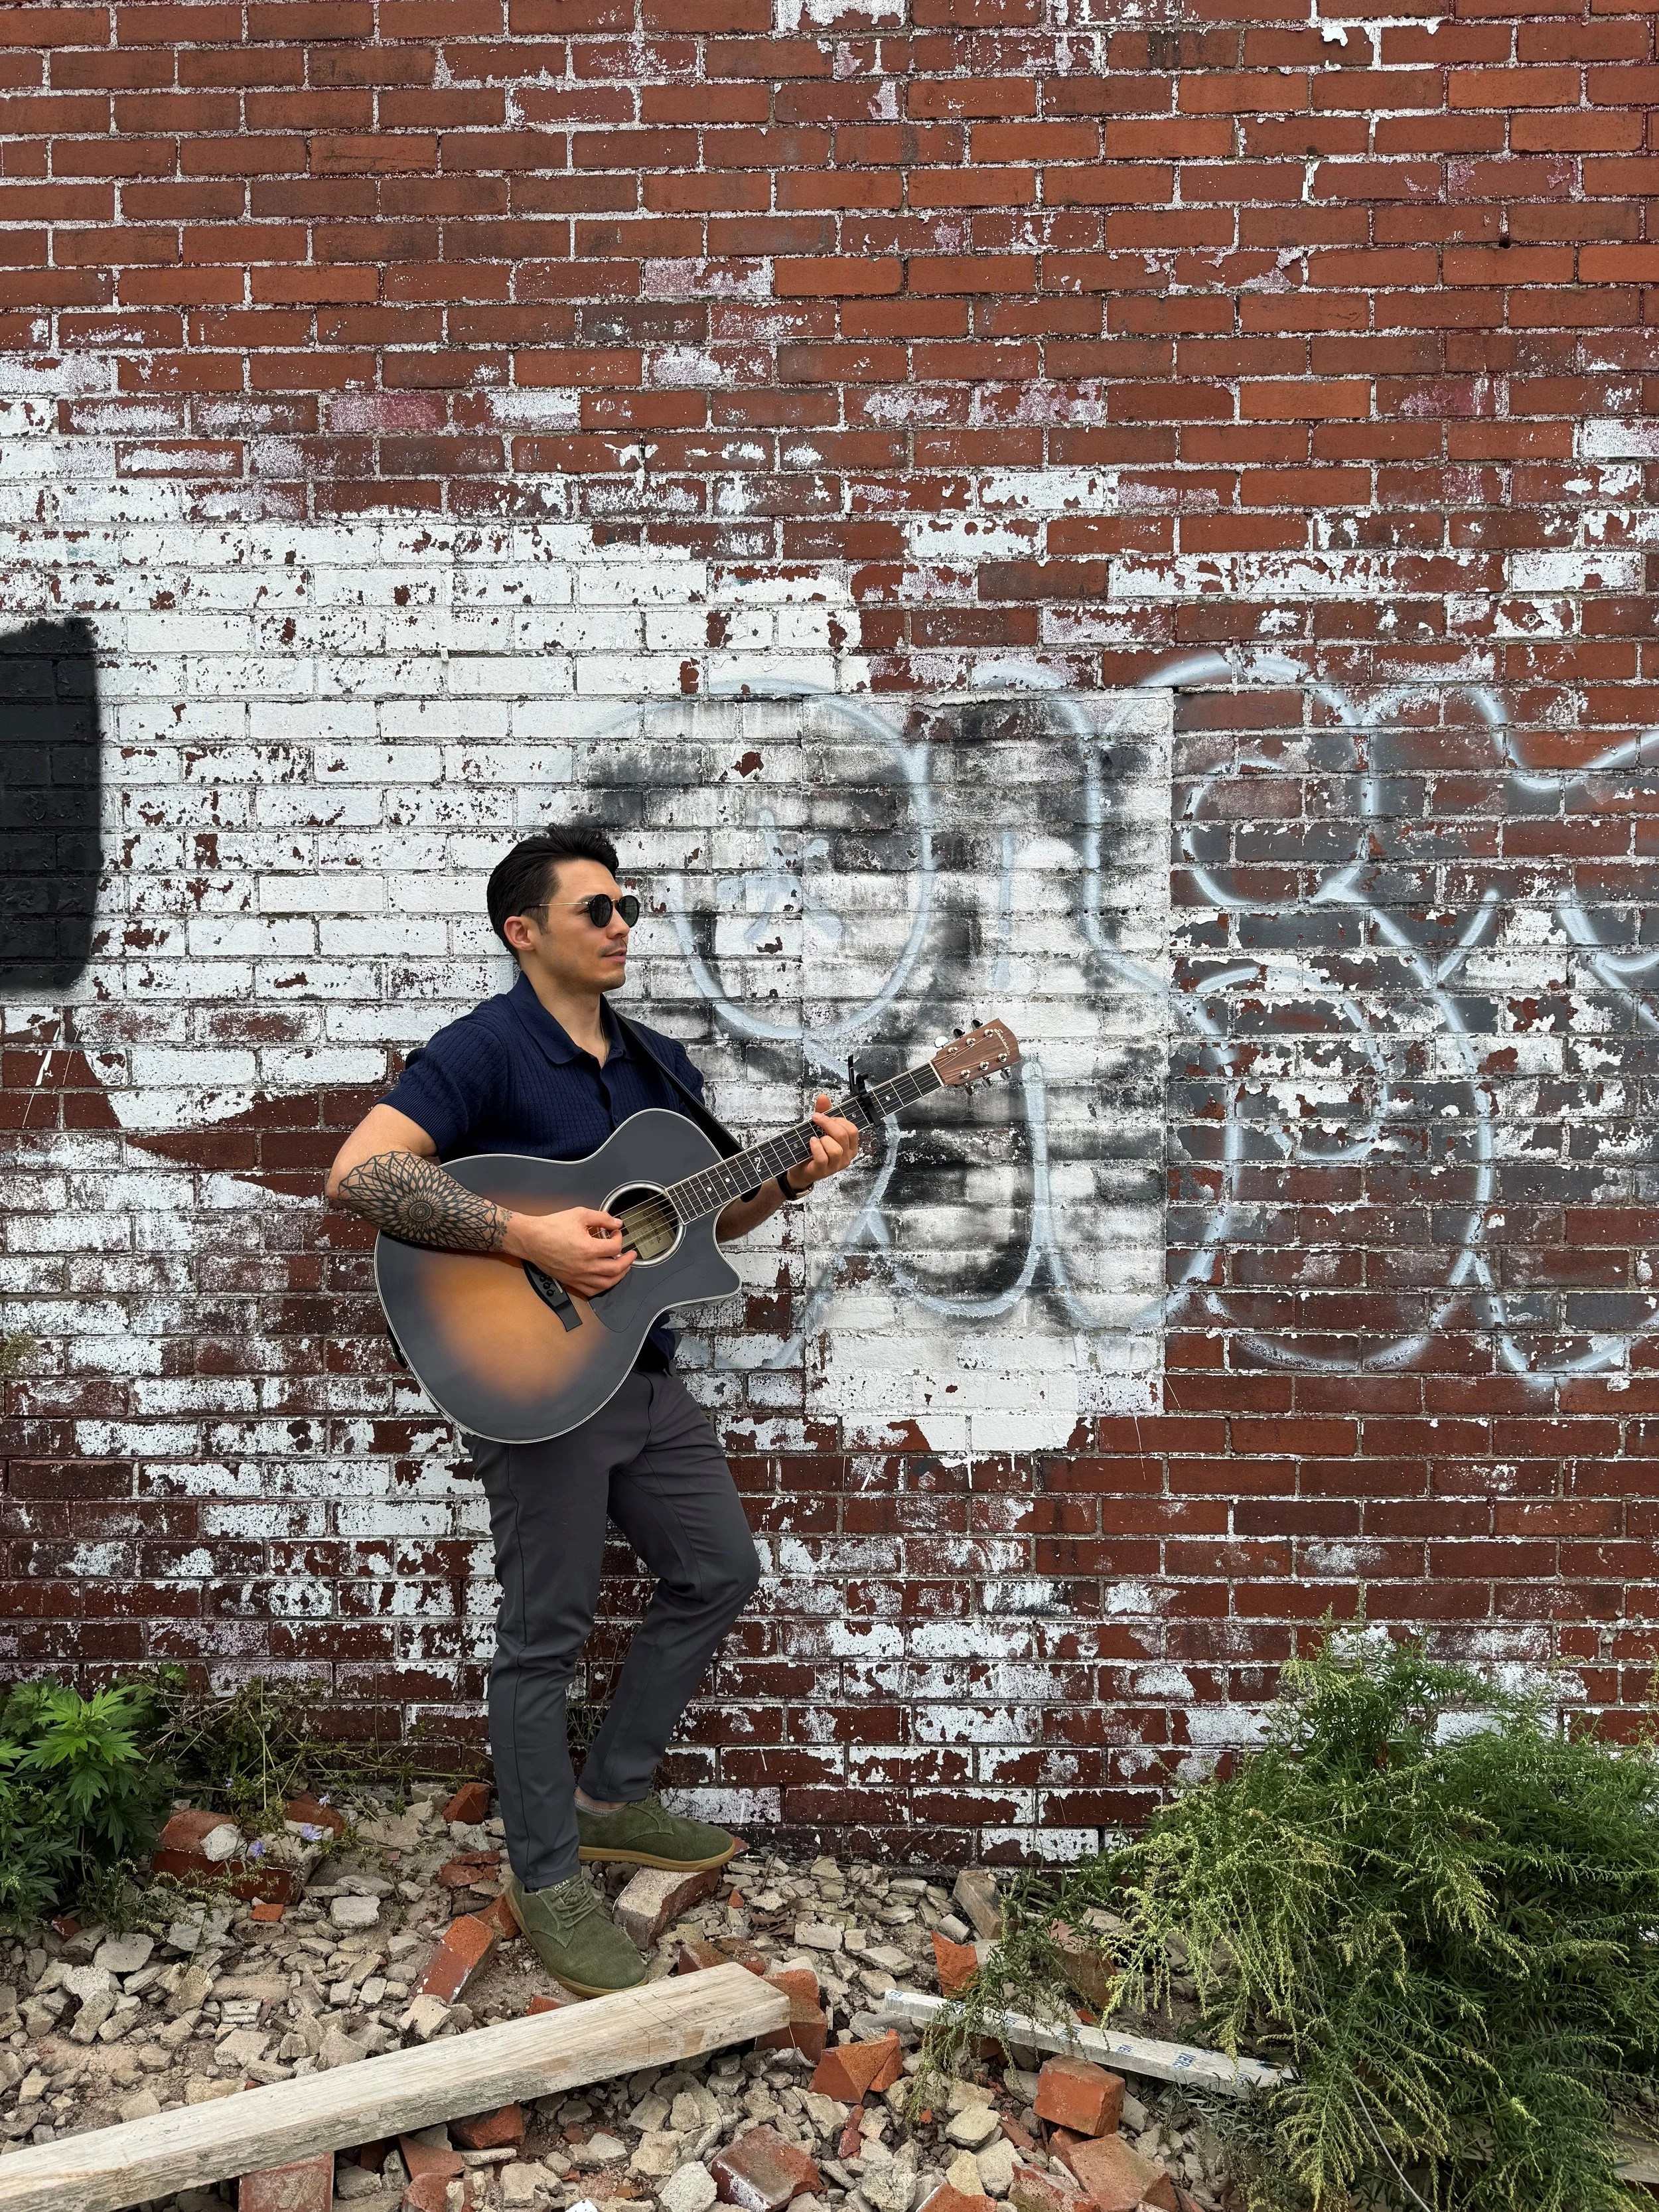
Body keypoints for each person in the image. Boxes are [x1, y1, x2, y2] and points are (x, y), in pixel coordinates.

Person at [325, 825, 860, 1994]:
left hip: (645, 1374)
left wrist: (794, 1173)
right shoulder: (485, 1050)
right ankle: (545, 1875)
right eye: (596, 910)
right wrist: (529, 1238)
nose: (622, 926)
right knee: (545, 1636)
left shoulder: (660, 1064)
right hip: (541, 1385)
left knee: (717, 1570)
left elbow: (710, 1219)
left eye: (628, 907)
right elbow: (360, 1174)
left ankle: (612, 1798)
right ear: (523, 933)